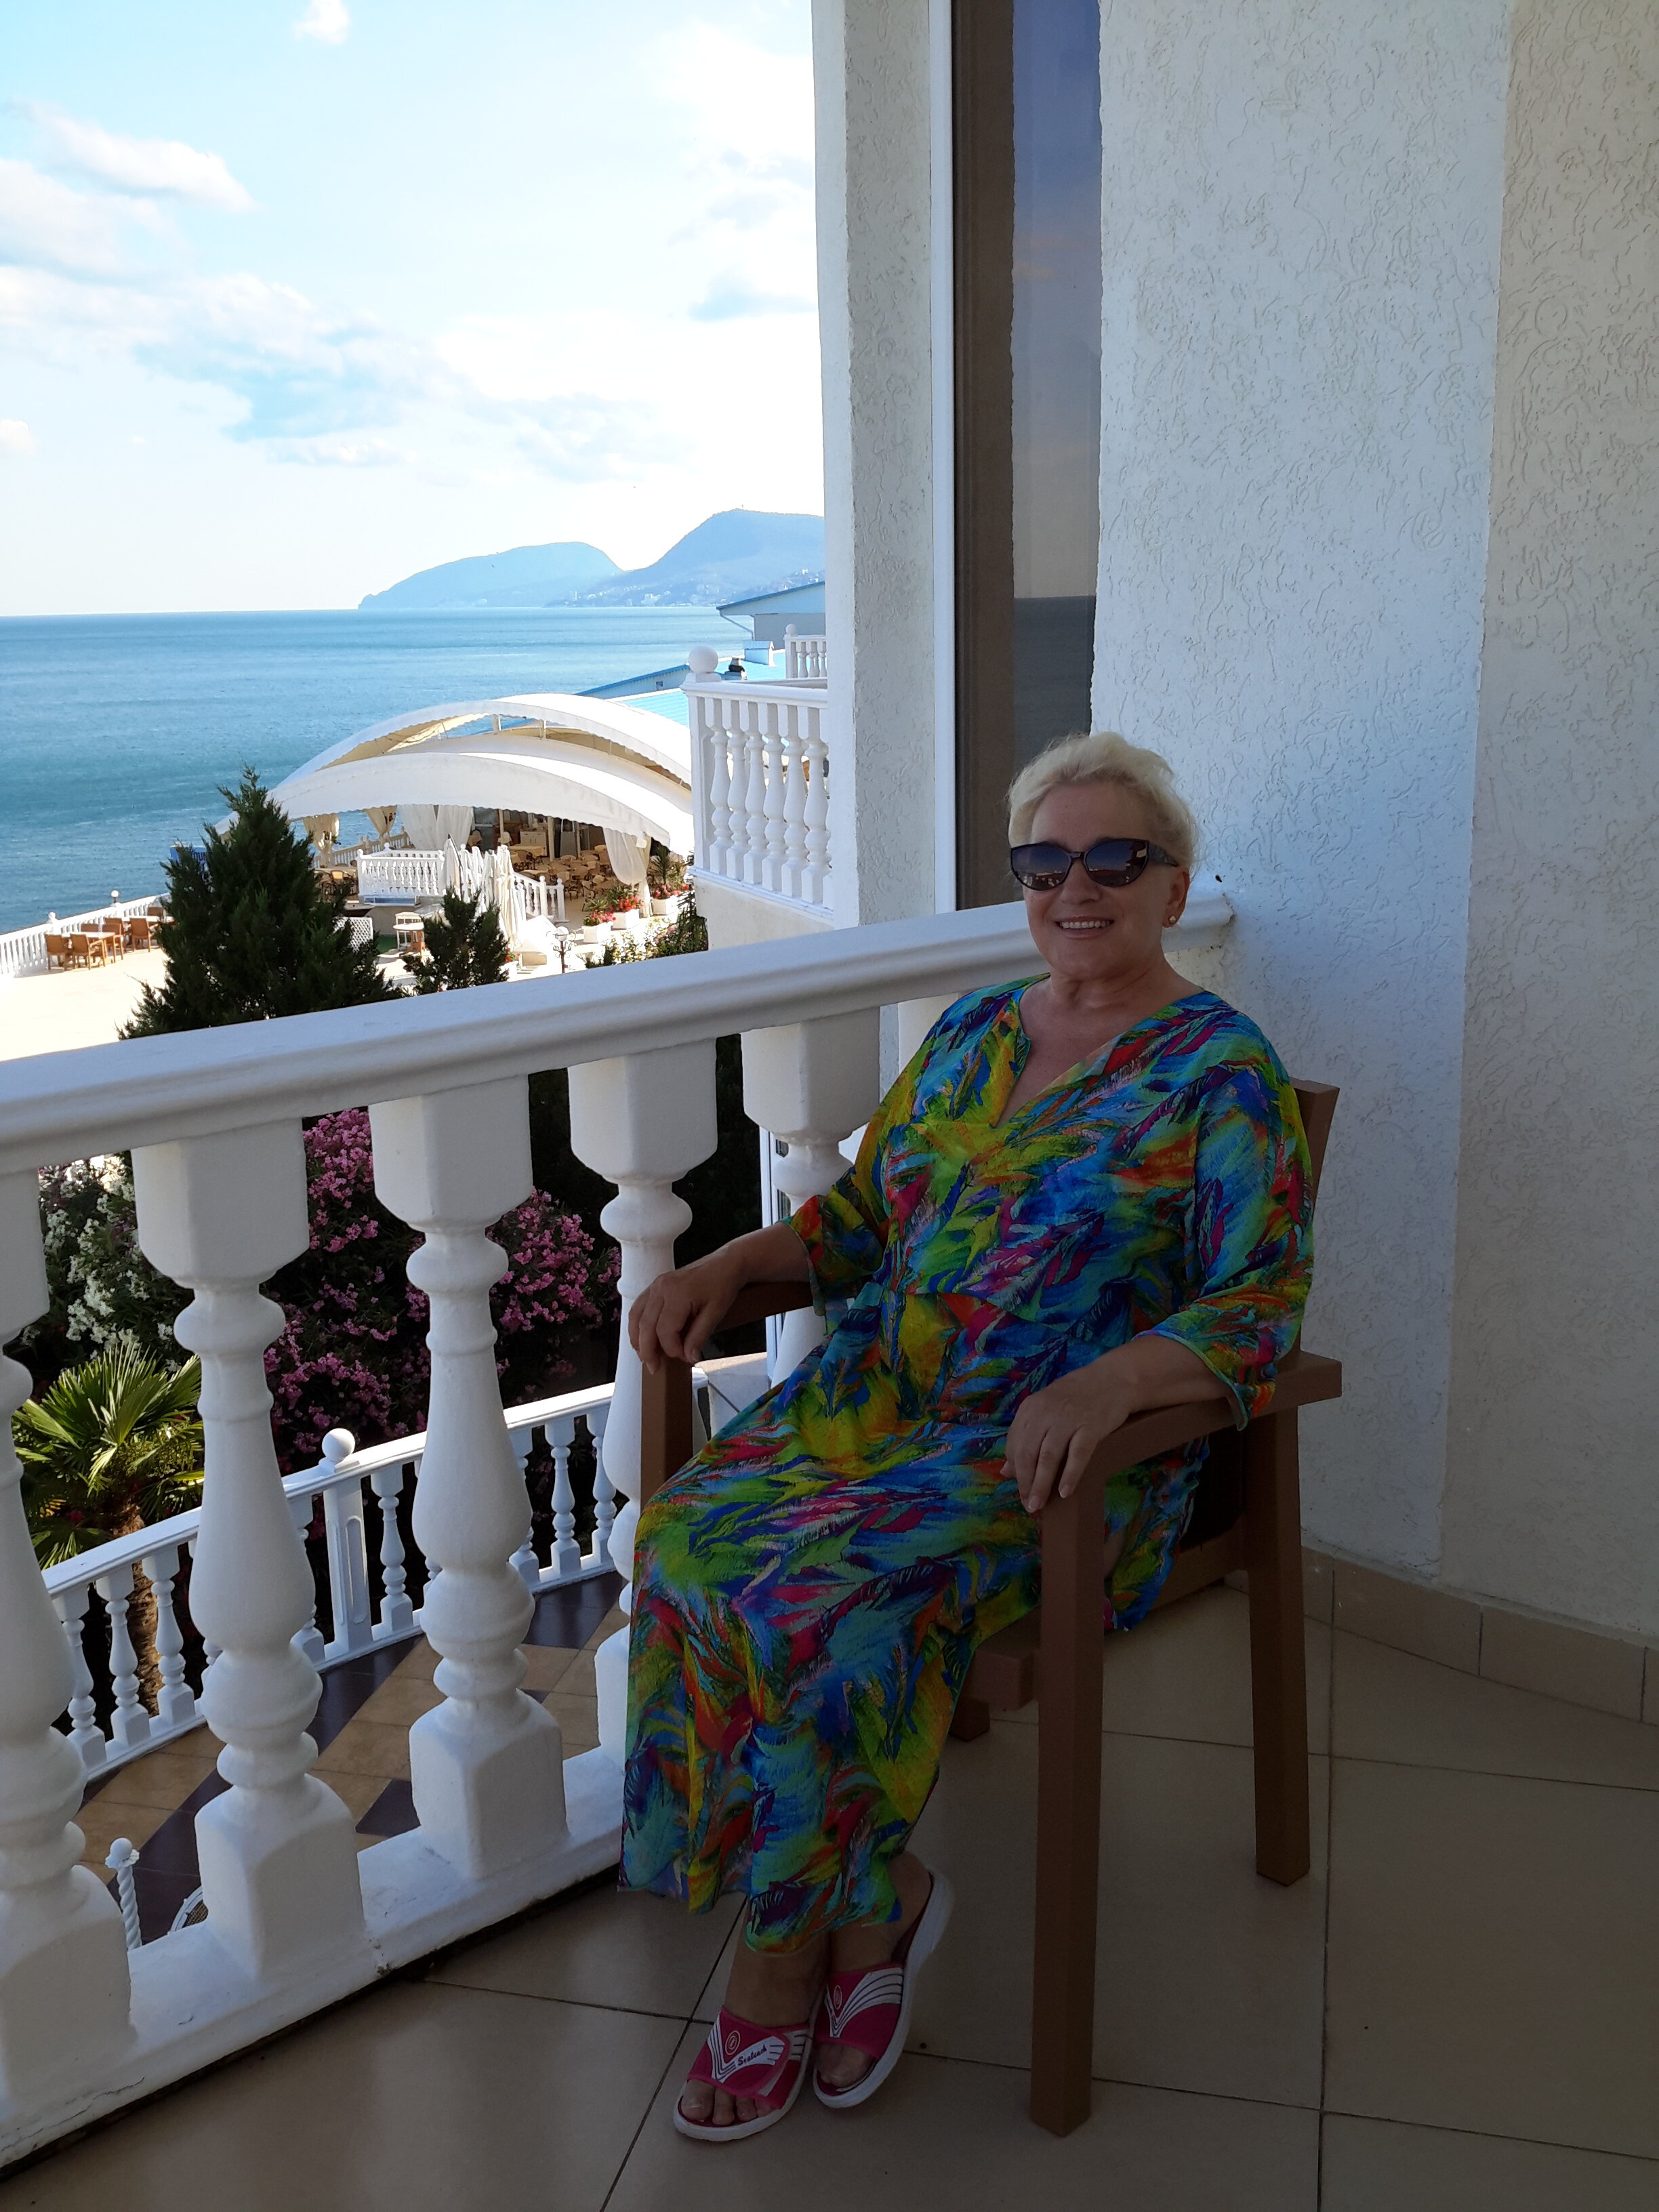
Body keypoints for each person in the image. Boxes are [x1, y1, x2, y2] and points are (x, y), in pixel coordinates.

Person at [623, 732, 1315, 2140]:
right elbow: (858, 1224)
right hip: (875, 1410)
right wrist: (728, 1264)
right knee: (688, 1538)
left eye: (1115, 858)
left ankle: (779, 1962)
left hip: (1059, 1463)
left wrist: (1110, 1386)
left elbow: (1260, 1300)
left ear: (1173, 887)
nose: (1077, 887)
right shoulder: (972, 1035)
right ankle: (876, 1897)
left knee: (820, 1600)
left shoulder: (1221, 1073)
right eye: (1046, 861)